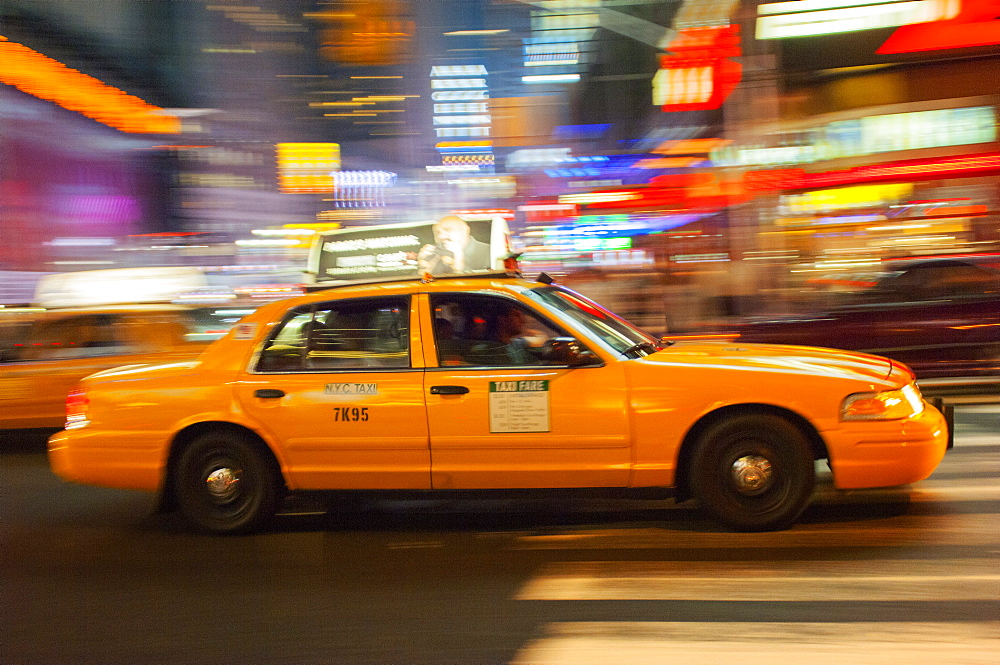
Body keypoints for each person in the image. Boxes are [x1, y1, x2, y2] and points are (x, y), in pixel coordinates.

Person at [417, 215, 491, 275]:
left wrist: (460, 268)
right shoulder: (433, 255)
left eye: (447, 230)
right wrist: (422, 270)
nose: (441, 237)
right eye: (437, 232)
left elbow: (488, 286)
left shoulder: (489, 252)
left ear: (465, 230)